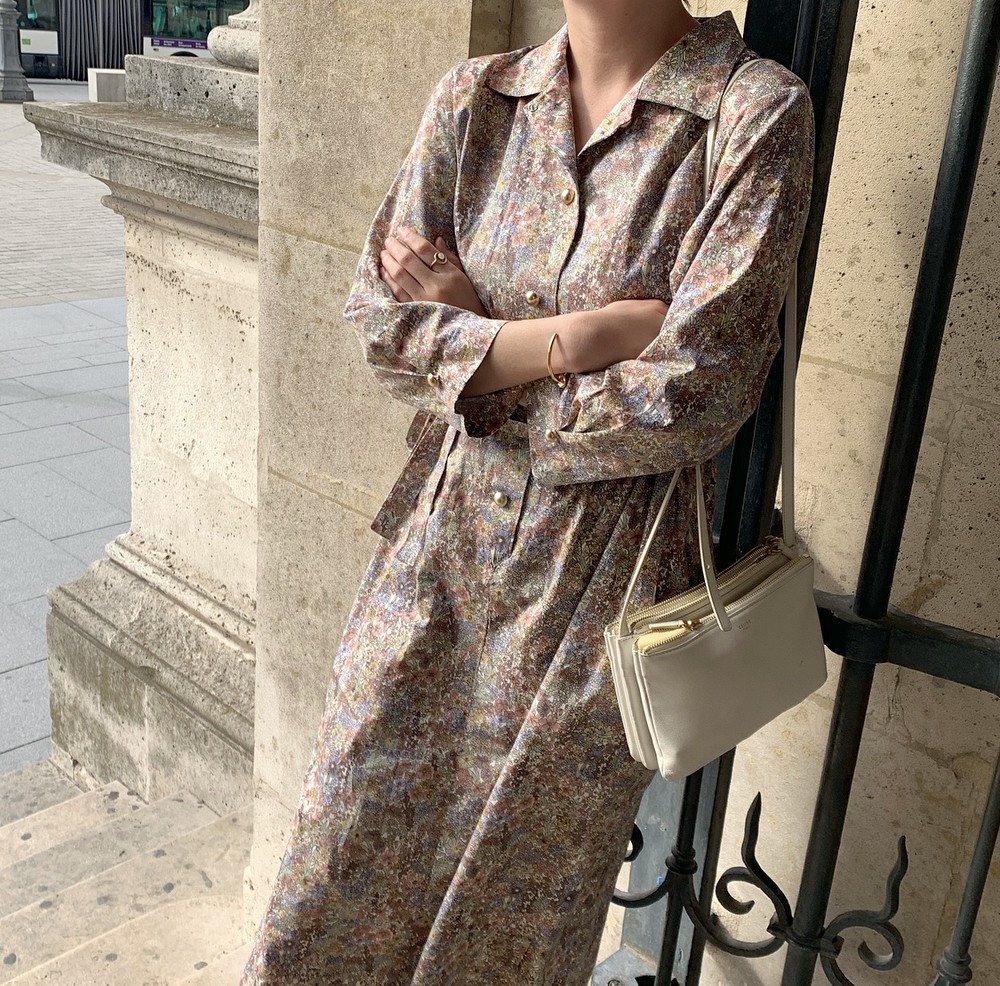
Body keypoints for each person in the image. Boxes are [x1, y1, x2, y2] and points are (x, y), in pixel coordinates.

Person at [240, 1, 815, 983]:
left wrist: (476, 348)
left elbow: (693, 396)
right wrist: (579, 338)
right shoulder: (475, 100)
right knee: (340, 862)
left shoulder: (751, 113)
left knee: (510, 915)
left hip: (599, 586)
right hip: (436, 552)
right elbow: (381, 327)